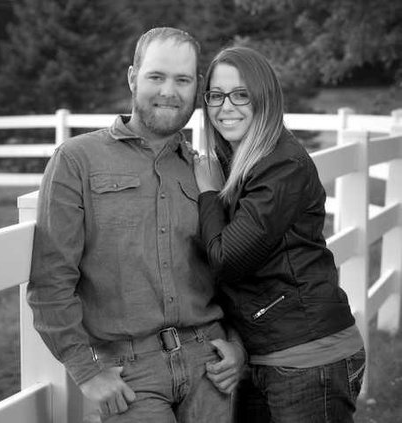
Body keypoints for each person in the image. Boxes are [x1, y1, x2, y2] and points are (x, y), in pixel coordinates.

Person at [27, 27, 246, 423]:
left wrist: (237, 343)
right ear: (132, 77)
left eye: (182, 80)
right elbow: (51, 279)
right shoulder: (77, 160)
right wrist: (86, 370)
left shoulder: (208, 170)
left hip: (211, 364)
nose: (169, 91)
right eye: (156, 76)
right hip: (130, 373)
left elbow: (233, 264)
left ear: (197, 87)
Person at [193, 46, 366, 422]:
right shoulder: (243, 161)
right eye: (216, 95)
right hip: (268, 356)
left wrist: (207, 192)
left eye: (241, 94)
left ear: (264, 98)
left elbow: (227, 259)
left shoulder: (281, 164)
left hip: (310, 358)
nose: (226, 107)